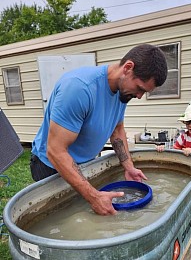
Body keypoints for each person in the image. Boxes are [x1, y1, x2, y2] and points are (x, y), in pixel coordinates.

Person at [30, 44, 168, 216]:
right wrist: (94, 197)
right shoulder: (79, 88)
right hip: (50, 166)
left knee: (84, 214)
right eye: (140, 88)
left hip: (85, 163)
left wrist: (129, 166)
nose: (139, 96)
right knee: (63, 219)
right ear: (128, 68)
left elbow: (117, 130)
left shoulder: (122, 93)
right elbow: (55, 151)